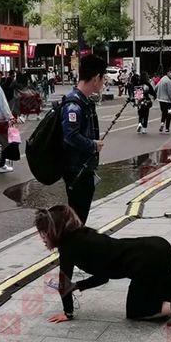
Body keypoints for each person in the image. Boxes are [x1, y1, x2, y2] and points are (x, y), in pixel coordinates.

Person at [35, 205, 171, 330]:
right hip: (158, 246)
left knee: (136, 312)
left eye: (43, 232)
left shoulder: (68, 248)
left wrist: (68, 313)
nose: (42, 237)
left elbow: (63, 284)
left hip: (145, 260)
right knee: (167, 296)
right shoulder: (84, 233)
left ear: (55, 230)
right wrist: (78, 286)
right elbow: (103, 276)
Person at [61, 54, 107, 224]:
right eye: (103, 78)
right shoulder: (74, 104)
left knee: (78, 218)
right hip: (77, 170)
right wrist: (92, 145)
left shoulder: (84, 101)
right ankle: (71, 242)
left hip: (83, 168)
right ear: (96, 78)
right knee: (77, 219)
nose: (104, 83)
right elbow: (70, 135)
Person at [156, 68, 171, 134]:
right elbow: (170, 92)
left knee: (164, 112)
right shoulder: (168, 81)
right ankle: (167, 128)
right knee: (169, 113)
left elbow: (156, 87)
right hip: (167, 100)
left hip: (160, 100)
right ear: (168, 72)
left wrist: (156, 94)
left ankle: (162, 123)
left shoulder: (162, 79)